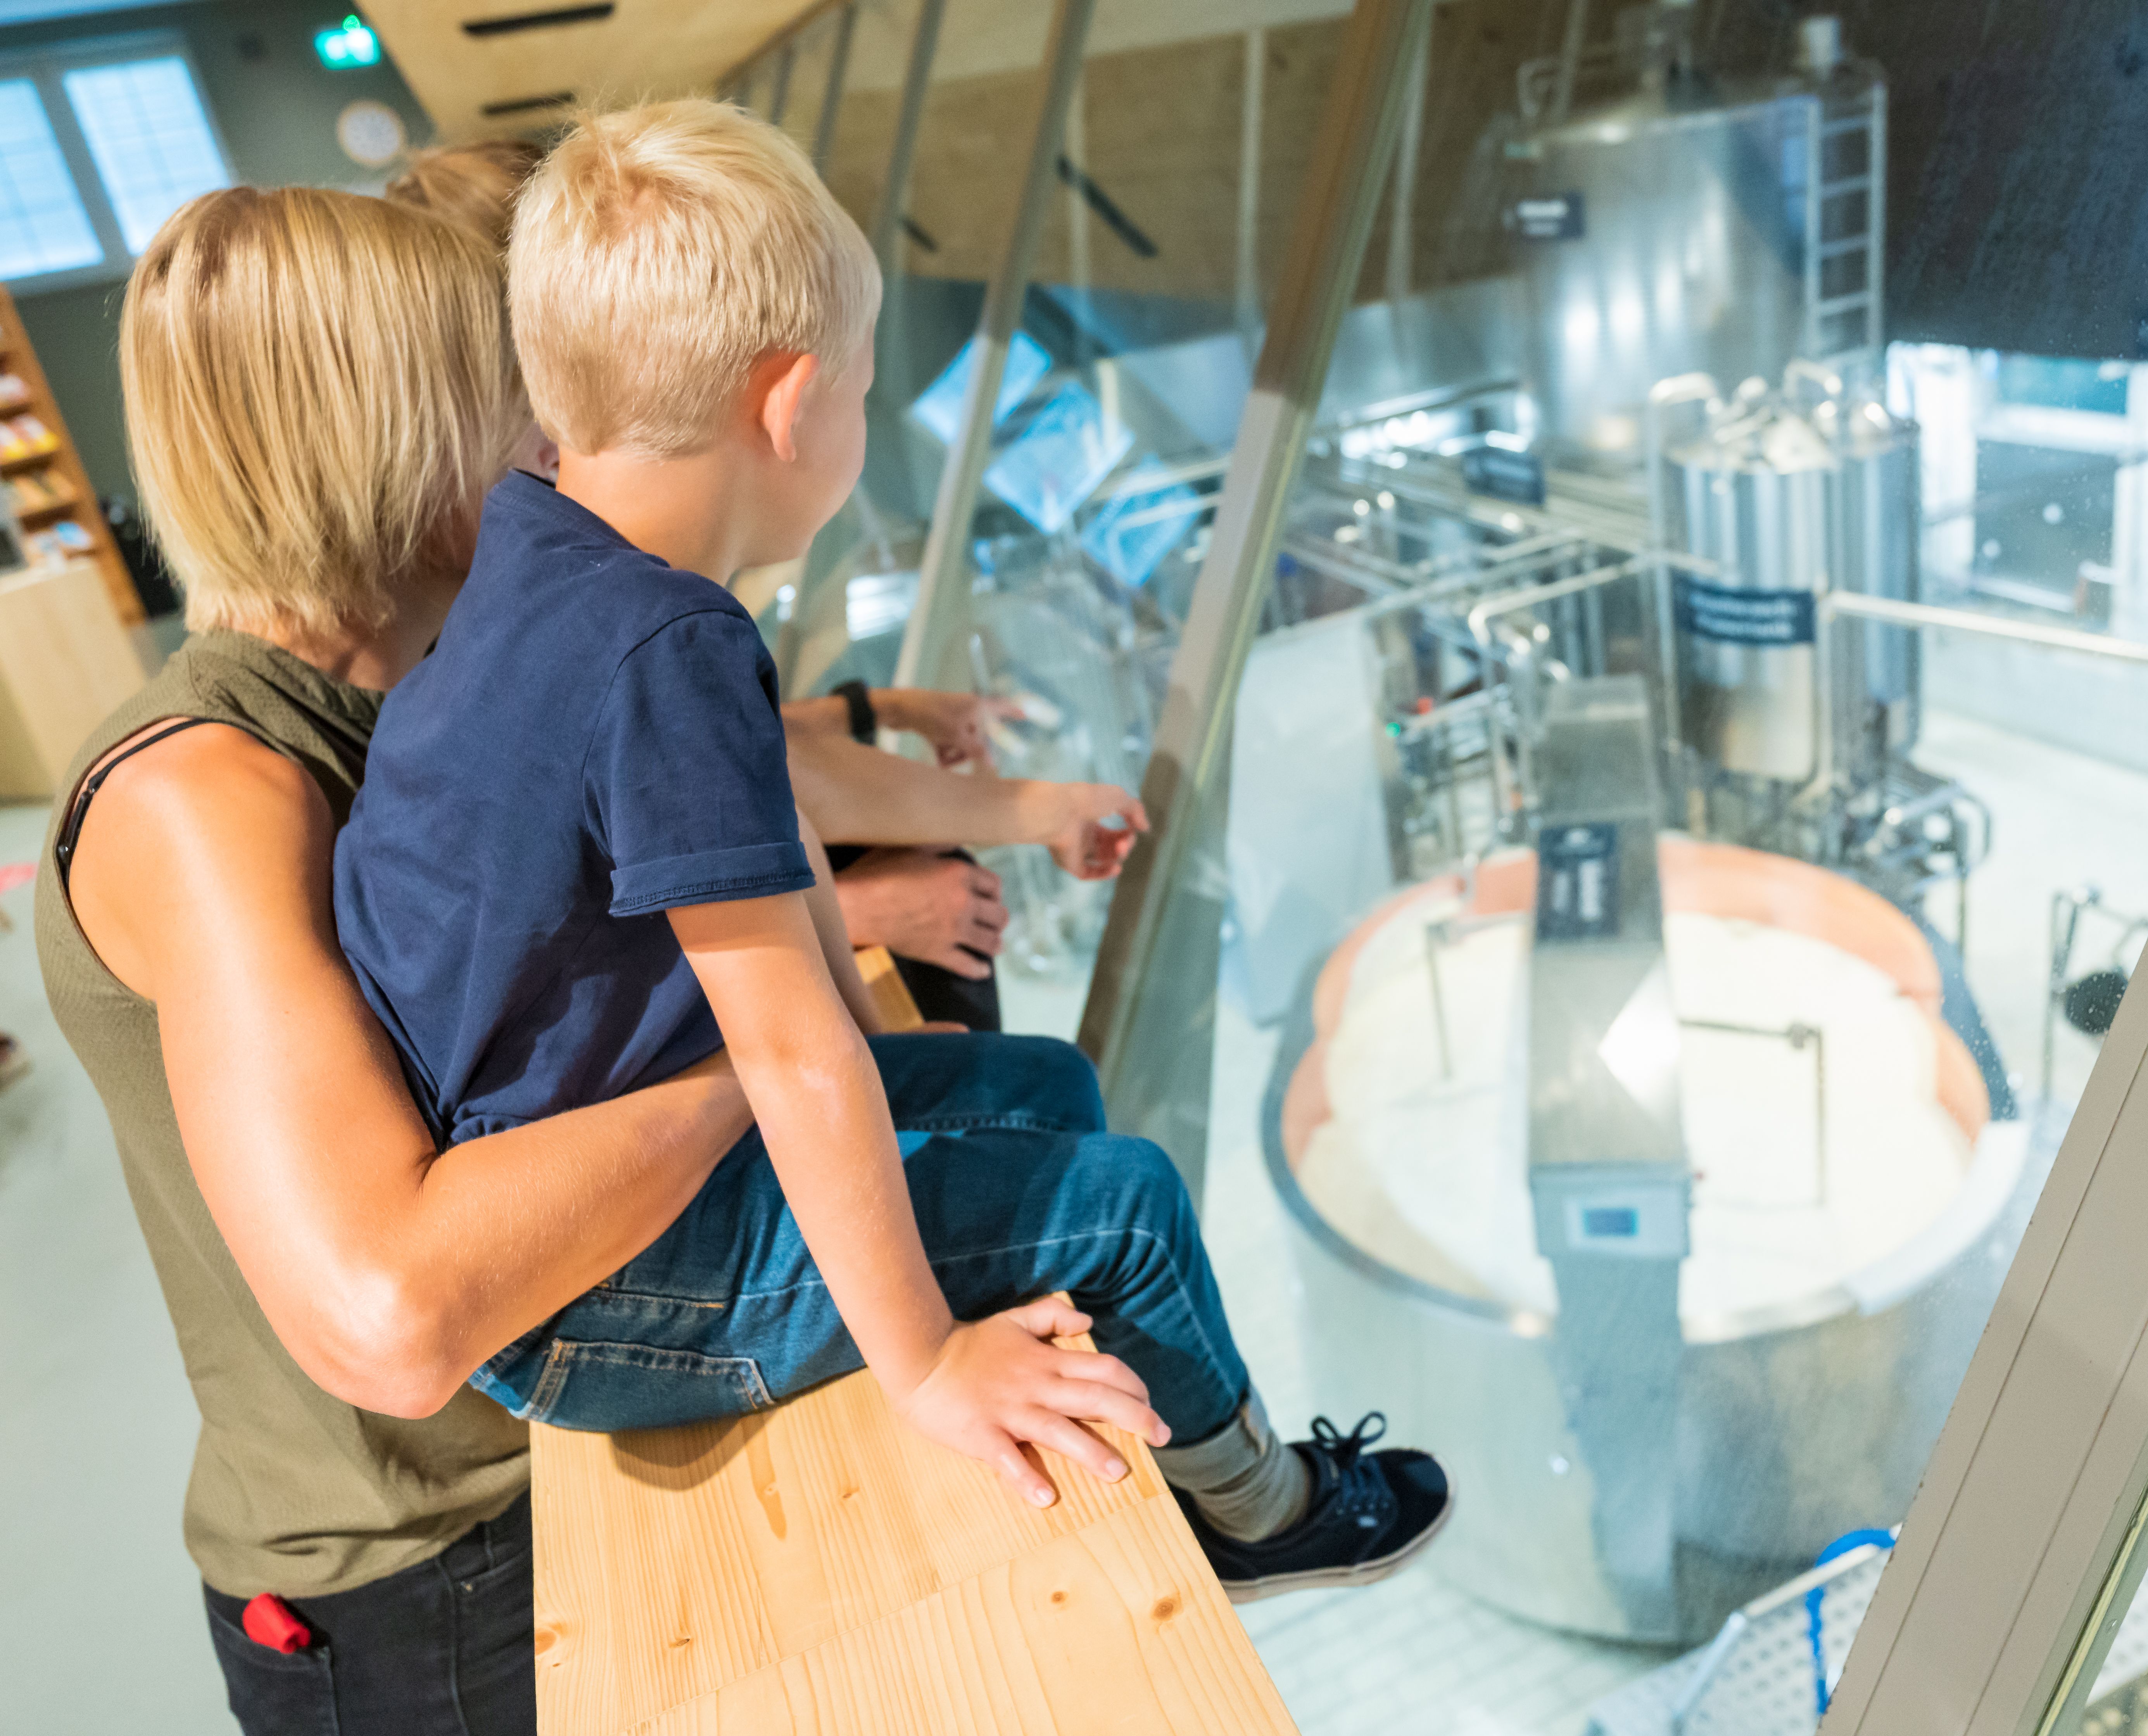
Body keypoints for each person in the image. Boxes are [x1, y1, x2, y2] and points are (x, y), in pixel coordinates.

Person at [41, 179, 1435, 1736]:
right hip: (419, 1575)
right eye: (511, 391)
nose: (553, 436)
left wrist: (988, 815)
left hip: (541, 1426)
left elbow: (713, 776)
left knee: (1035, 1108)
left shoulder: (451, 665)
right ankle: (1262, 1502)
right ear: (405, 427)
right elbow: (391, 1315)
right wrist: (761, 1057)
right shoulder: (209, 793)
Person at [333, 100, 1449, 1574]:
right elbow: (796, 1050)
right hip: (598, 1296)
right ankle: (1266, 1509)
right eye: (863, 391)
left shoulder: (542, 546)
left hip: (582, 1197)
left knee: (1045, 1079)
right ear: (792, 405)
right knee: (1128, 1208)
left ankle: (1153, 1397)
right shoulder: (669, 640)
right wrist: (926, 1360)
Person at [389, 139, 1067, 1031]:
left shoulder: (530, 565)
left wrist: (878, 710)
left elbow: (702, 762)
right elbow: (694, 825)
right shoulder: (644, 618)